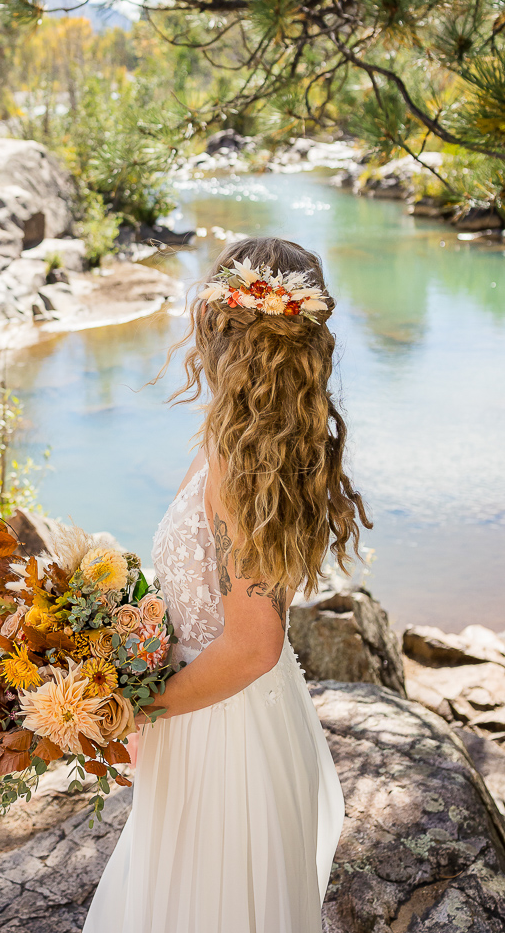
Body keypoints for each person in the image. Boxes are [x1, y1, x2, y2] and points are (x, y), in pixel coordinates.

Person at [83, 235, 371, 933]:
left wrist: (135, 710)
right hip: (218, 711)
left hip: (224, 731)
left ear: (214, 323)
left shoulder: (245, 467)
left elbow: (251, 645)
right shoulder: (251, 440)